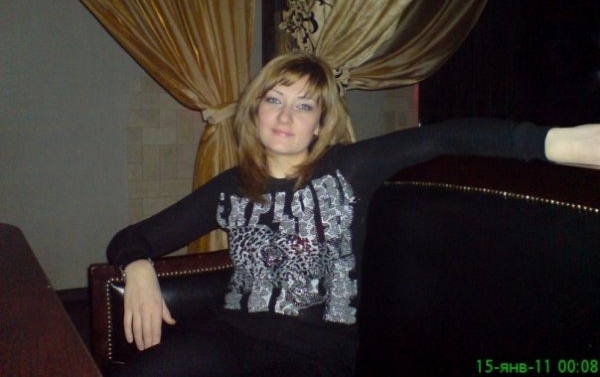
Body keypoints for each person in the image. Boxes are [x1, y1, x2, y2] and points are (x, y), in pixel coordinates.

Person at [107, 52, 600, 376]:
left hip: (313, 356)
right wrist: (139, 266)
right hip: (229, 338)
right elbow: (131, 238)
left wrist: (551, 142)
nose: (285, 116)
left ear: (320, 122)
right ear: (254, 111)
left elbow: (445, 136)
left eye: (304, 106)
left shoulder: (349, 168)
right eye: (274, 100)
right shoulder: (231, 187)